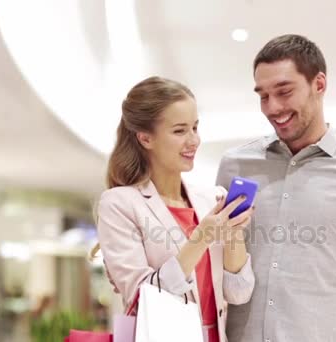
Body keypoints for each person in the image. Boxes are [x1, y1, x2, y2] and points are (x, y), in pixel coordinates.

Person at [216, 34, 336, 341]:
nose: (272, 107)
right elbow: (214, 273)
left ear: (319, 84)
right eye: (263, 95)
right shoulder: (236, 166)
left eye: (284, 92)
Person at [96, 76, 255, 342]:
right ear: (146, 138)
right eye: (180, 131)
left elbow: (239, 292)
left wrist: (233, 232)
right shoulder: (119, 204)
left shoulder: (212, 199)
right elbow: (141, 295)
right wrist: (201, 238)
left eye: (195, 127)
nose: (193, 140)